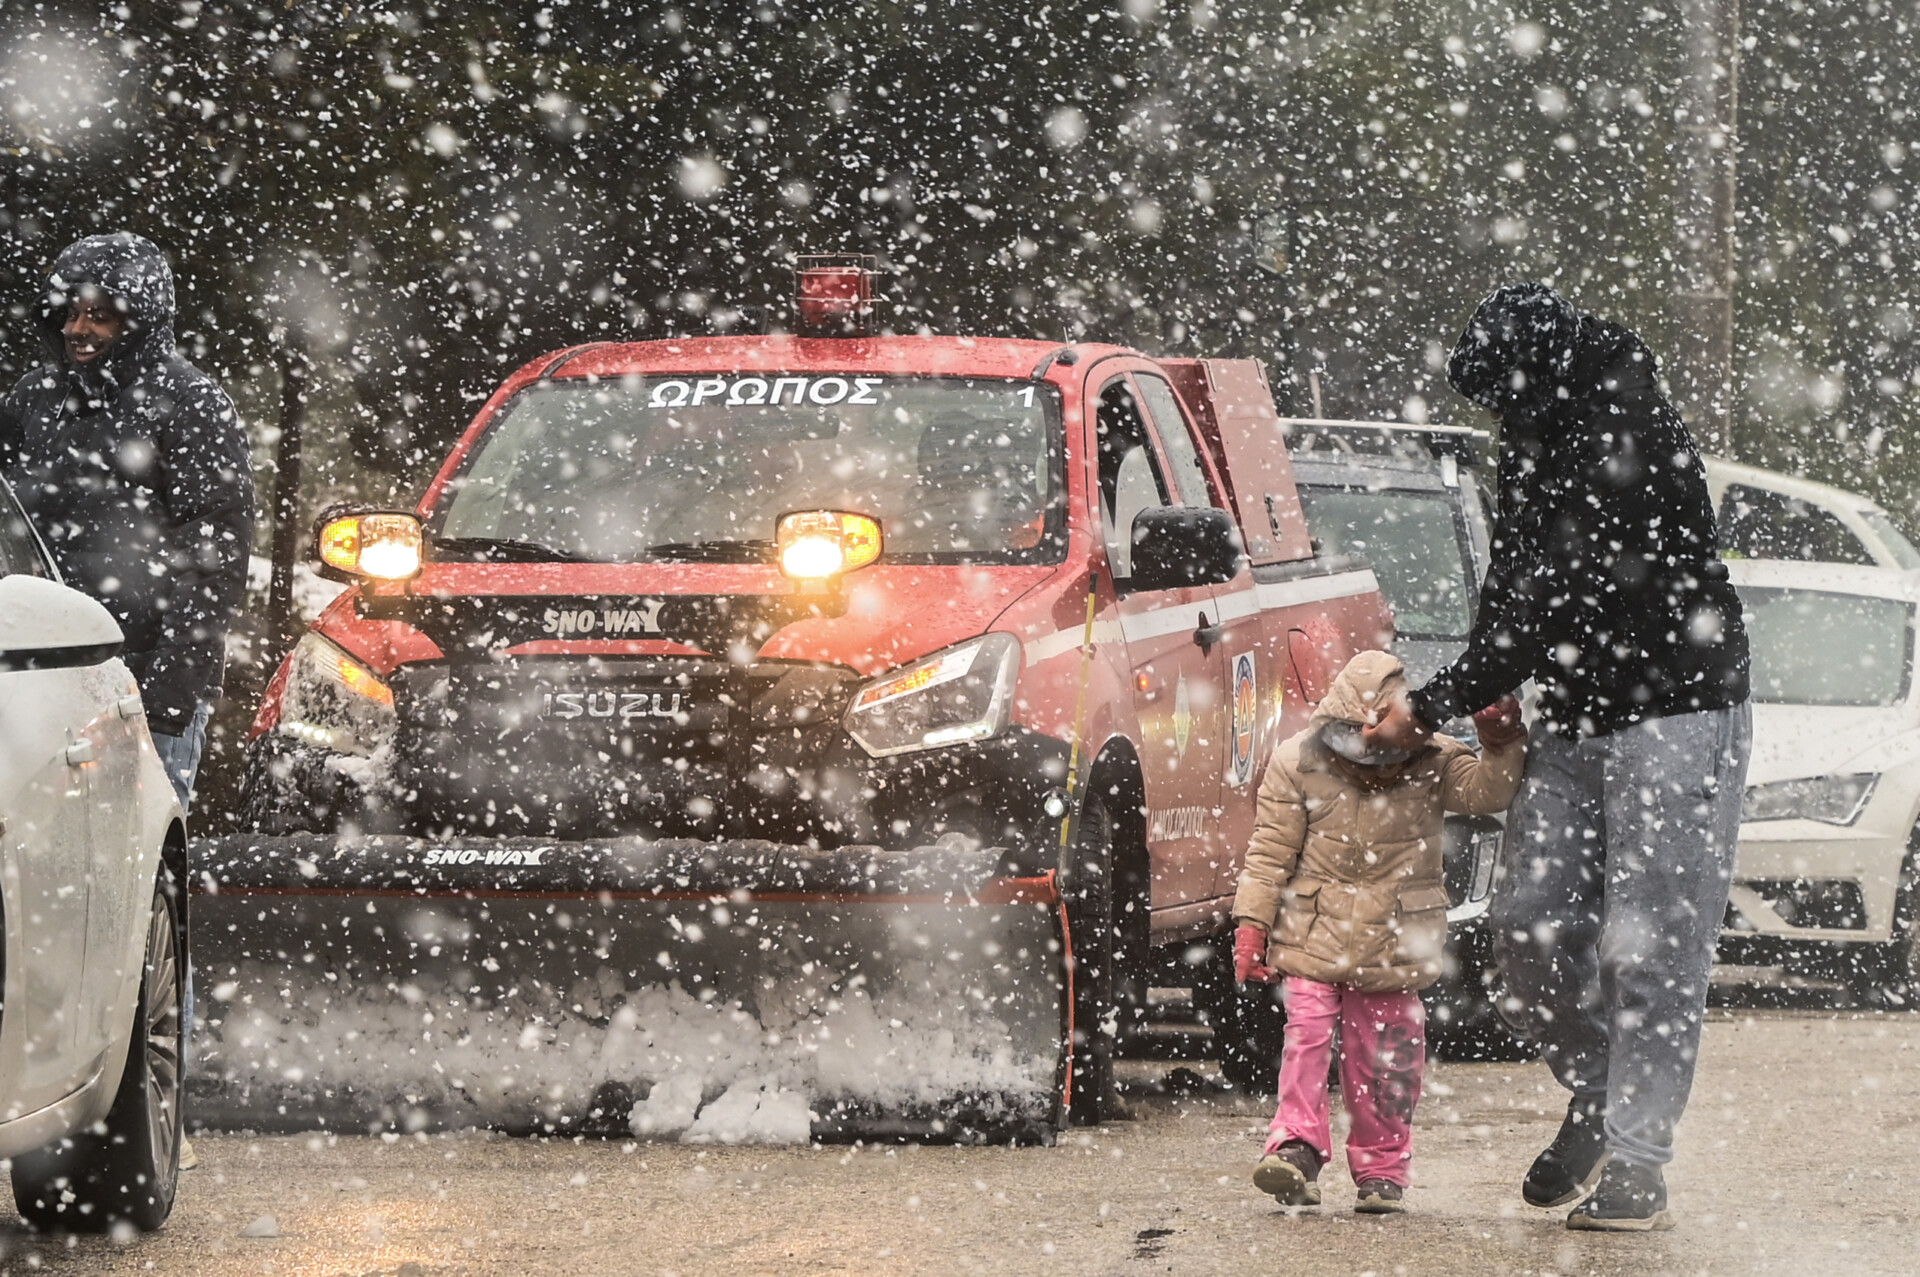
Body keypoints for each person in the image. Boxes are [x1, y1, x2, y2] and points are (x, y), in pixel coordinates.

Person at [1366, 283, 1752, 1230]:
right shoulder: (1538, 429)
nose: (1499, 413)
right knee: (1525, 931)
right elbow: (1516, 578)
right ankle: (1598, 1091)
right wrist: (1491, 674)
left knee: (1653, 941)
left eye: (1503, 393)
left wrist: (1433, 703)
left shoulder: (1625, 423)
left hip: (1679, 707)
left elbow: (1562, 584)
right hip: (1574, 714)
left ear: (1536, 369)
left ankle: (1637, 1159)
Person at [1233, 650, 1526, 1214]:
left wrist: (1500, 741)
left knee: (1388, 1059)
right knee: (1307, 1041)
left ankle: (1382, 1168)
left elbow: (1489, 792)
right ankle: (1295, 1148)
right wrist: (1253, 925)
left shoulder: (1436, 761)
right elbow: (1269, 854)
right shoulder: (1297, 762)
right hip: (1313, 934)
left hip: (1394, 938)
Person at [0, 232, 254, 815]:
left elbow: (214, 556)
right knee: (47, 858)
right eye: (70, 311)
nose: (77, 329)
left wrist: (168, 694)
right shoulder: (33, 398)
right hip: (37, 677)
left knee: (142, 857)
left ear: (140, 321)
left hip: (138, 684)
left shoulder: (191, 403)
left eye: (100, 315)